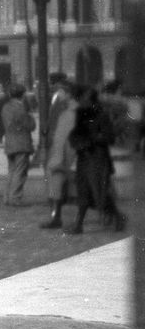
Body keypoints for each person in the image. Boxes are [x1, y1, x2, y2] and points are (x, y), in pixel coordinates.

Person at [67, 84, 127, 233]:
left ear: (91, 100)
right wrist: (77, 141)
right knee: (83, 191)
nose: (81, 101)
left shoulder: (101, 115)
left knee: (99, 192)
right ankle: (78, 225)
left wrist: (91, 139)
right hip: (84, 158)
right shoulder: (80, 115)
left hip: (98, 159)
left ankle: (118, 217)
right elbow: (74, 134)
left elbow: (109, 137)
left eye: (84, 99)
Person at [41, 86, 78, 230]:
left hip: (63, 156)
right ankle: (56, 217)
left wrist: (57, 159)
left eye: (62, 93)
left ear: (69, 95)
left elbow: (61, 139)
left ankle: (56, 218)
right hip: (66, 154)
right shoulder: (71, 111)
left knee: (55, 186)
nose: (59, 96)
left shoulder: (68, 114)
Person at [0, 82, 34, 206]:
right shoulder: (21, 108)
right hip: (22, 143)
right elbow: (31, 126)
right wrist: (30, 115)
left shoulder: (5, 107)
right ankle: (15, 197)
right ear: (23, 95)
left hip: (10, 142)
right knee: (20, 171)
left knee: (12, 171)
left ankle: (7, 196)